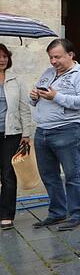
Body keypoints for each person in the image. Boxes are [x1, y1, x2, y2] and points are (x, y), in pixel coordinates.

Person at [29, 38, 80, 231]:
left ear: (70, 55)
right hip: (42, 130)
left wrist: (56, 96)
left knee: (73, 175)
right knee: (49, 176)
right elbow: (36, 97)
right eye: (51, 57)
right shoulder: (48, 73)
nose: (53, 61)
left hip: (67, 129)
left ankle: (78, 215)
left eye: (57, 57)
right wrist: (33, 96)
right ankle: (57, 213)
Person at [0, 44, 32, 230]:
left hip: (11, 134)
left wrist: (26, 133)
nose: (2, 59)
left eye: (5, 56)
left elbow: (24, 108)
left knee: (8, 174)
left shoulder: (16, 80)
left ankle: (6, 215)